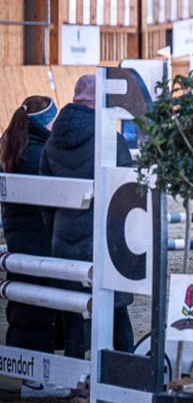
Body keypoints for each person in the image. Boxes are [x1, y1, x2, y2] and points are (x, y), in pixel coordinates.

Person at [39, 75, 135, 359]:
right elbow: (129, 197)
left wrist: (56, 234)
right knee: (117, 310)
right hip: (106, 241)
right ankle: (126, 366)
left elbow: (45, 201)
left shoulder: (52, 141)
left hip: (65, 238)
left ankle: (74, 373)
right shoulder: (111, 139)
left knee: (72, 312)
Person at [0, 95, 69, 398]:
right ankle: (35, 381)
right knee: (38, 305)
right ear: (45, 123)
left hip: (20, 236)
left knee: (25, 303)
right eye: (53, 120)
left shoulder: (13, 146)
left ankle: (28, 374)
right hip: (36, 237)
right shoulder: (37, 154)